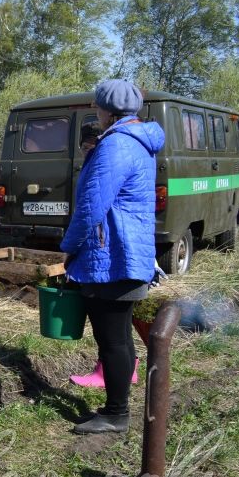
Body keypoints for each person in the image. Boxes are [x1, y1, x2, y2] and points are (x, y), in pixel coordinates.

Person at [61, 79, 163, 434]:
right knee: (118, 335)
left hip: (113, 255)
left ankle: (117, 413)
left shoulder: (115, 146)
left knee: (113, 339)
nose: (97, 113)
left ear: (107, 110)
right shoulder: (138, 141)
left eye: (98, 108)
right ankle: (114, 408)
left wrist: (69, 247)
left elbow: (91, 207)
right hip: (128, 252)